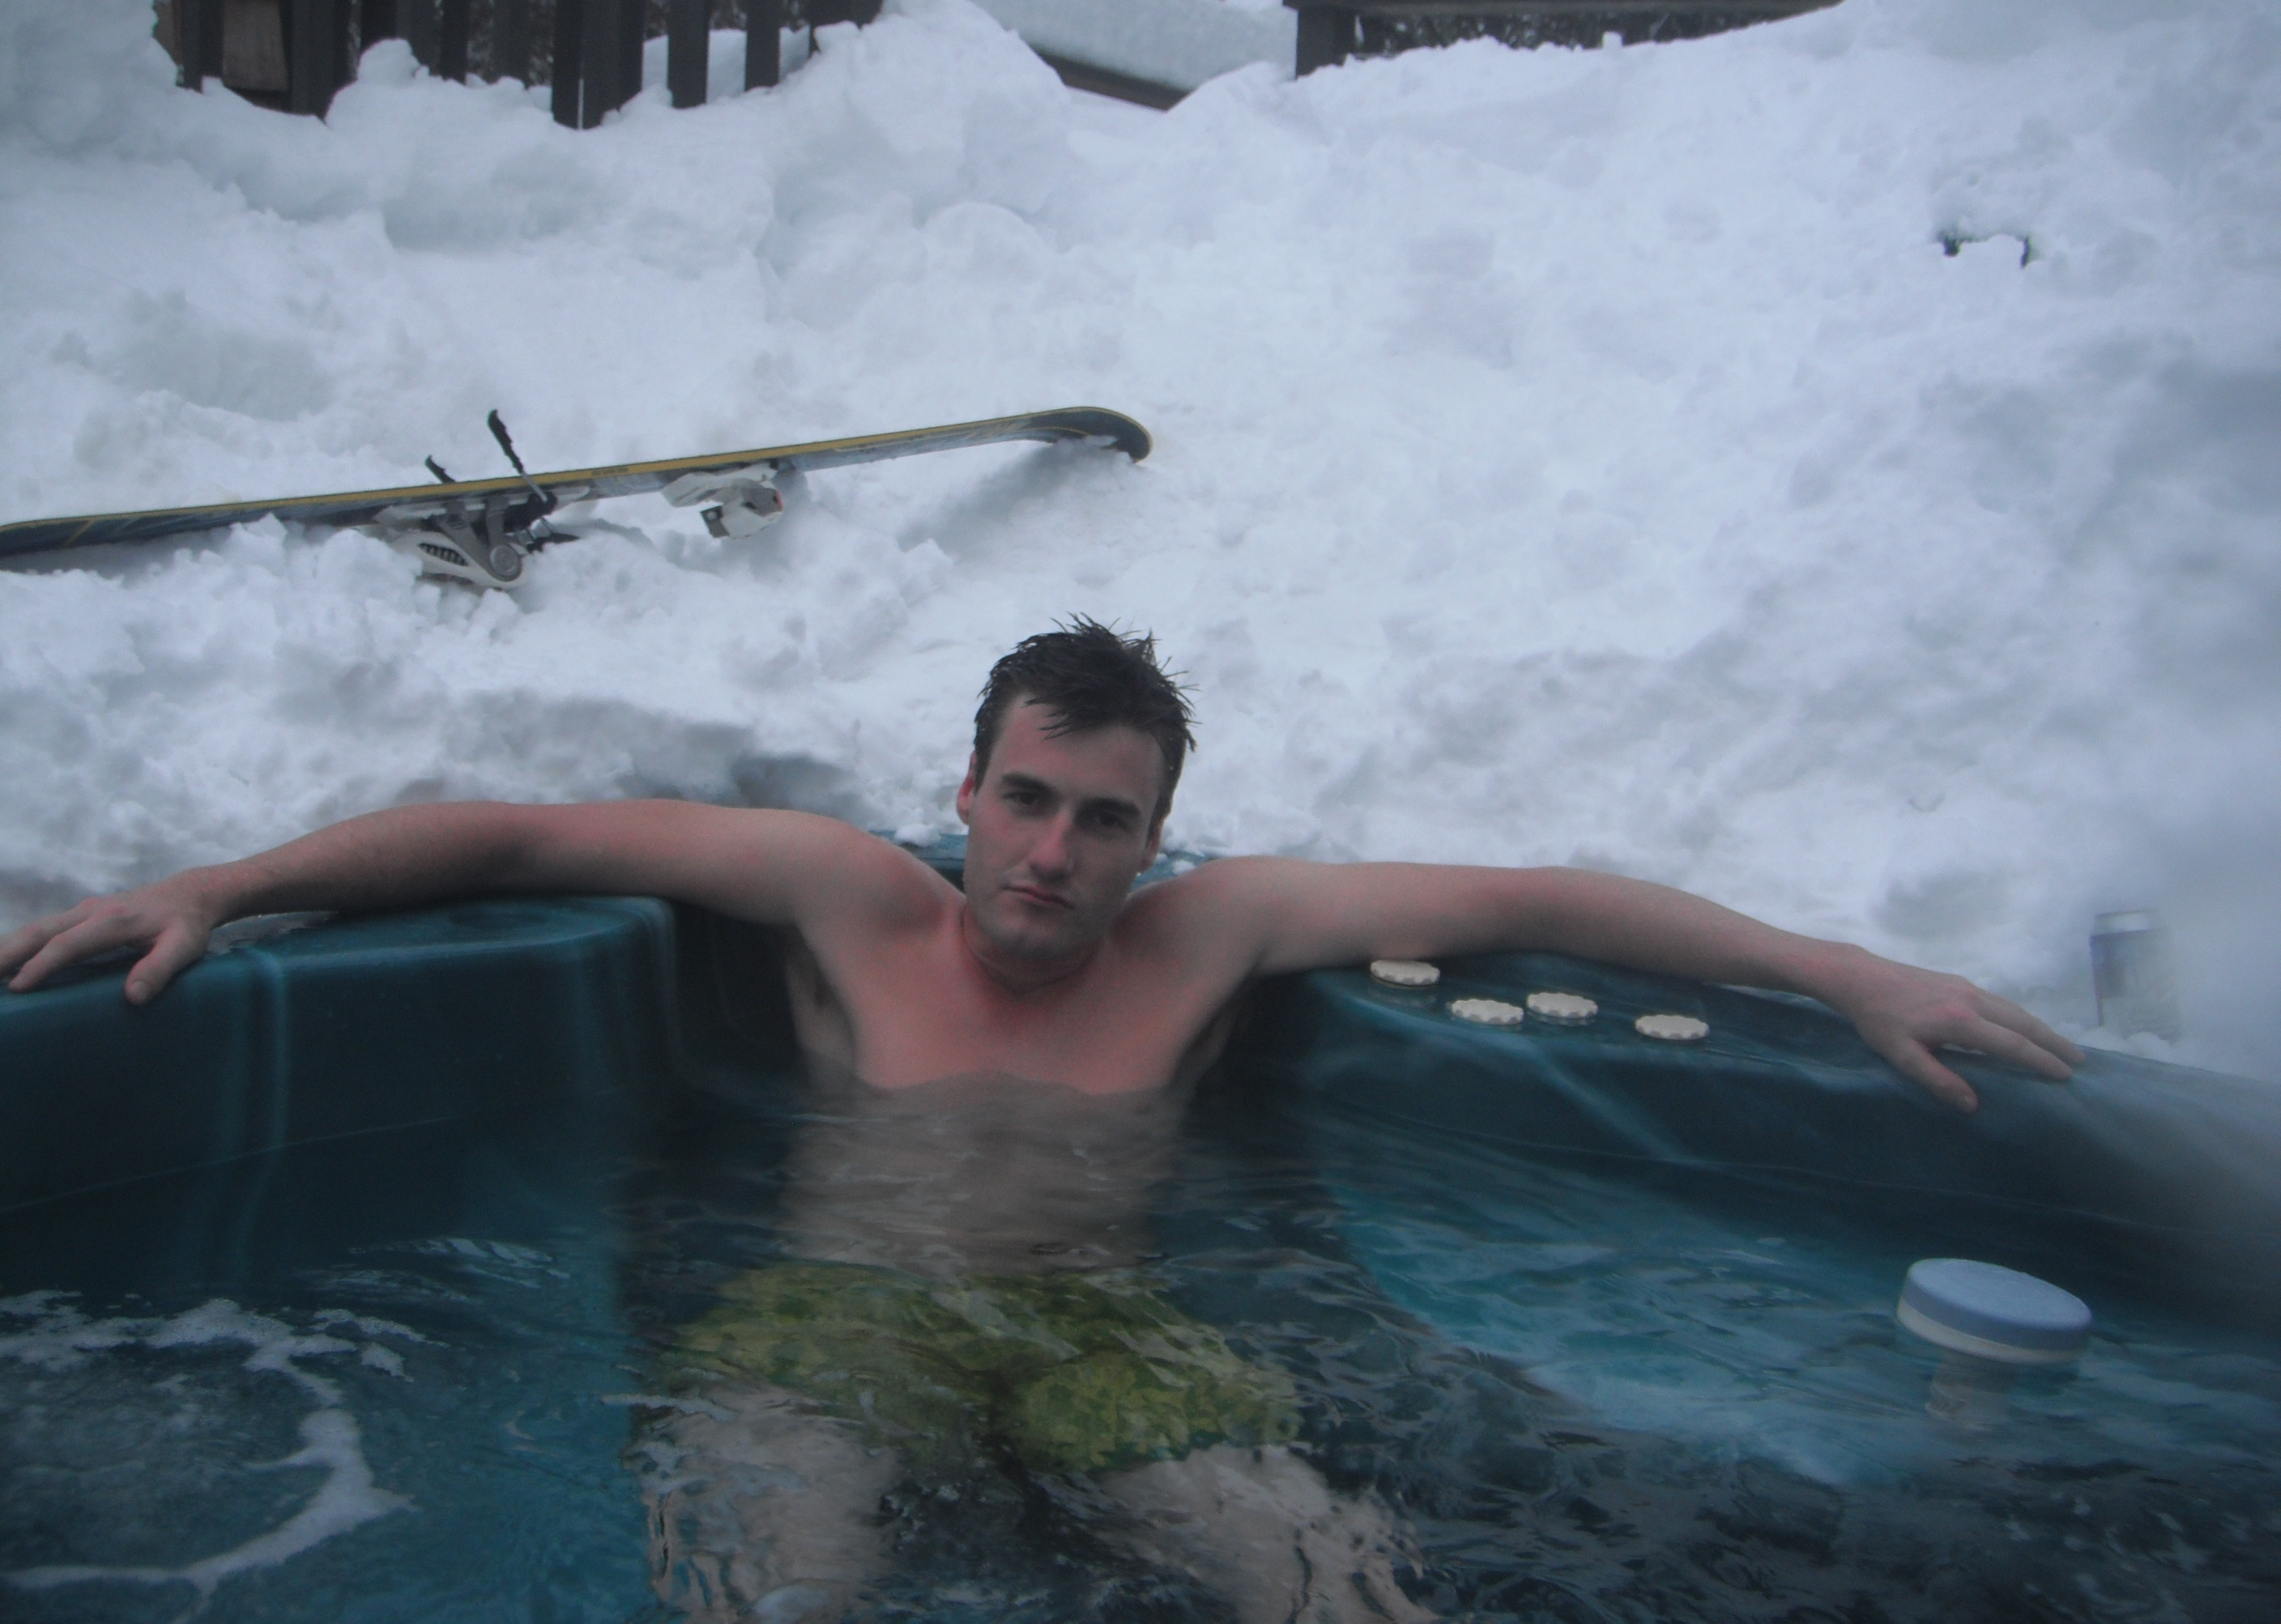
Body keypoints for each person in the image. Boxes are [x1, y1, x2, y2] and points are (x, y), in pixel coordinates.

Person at [1, 620, 2081, 1622]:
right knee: (775, 1601)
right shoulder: (844, 895)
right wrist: (227, 886)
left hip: (1115, 1342)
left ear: (1158, 832)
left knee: (1348, 1607)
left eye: (1108, 817)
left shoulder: (1207, 942)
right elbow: (524, 827)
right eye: (1026, 797)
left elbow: (1541, 903)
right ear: (968, 784)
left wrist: (1854, 974)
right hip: (837, 1320)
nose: (1057, 853)